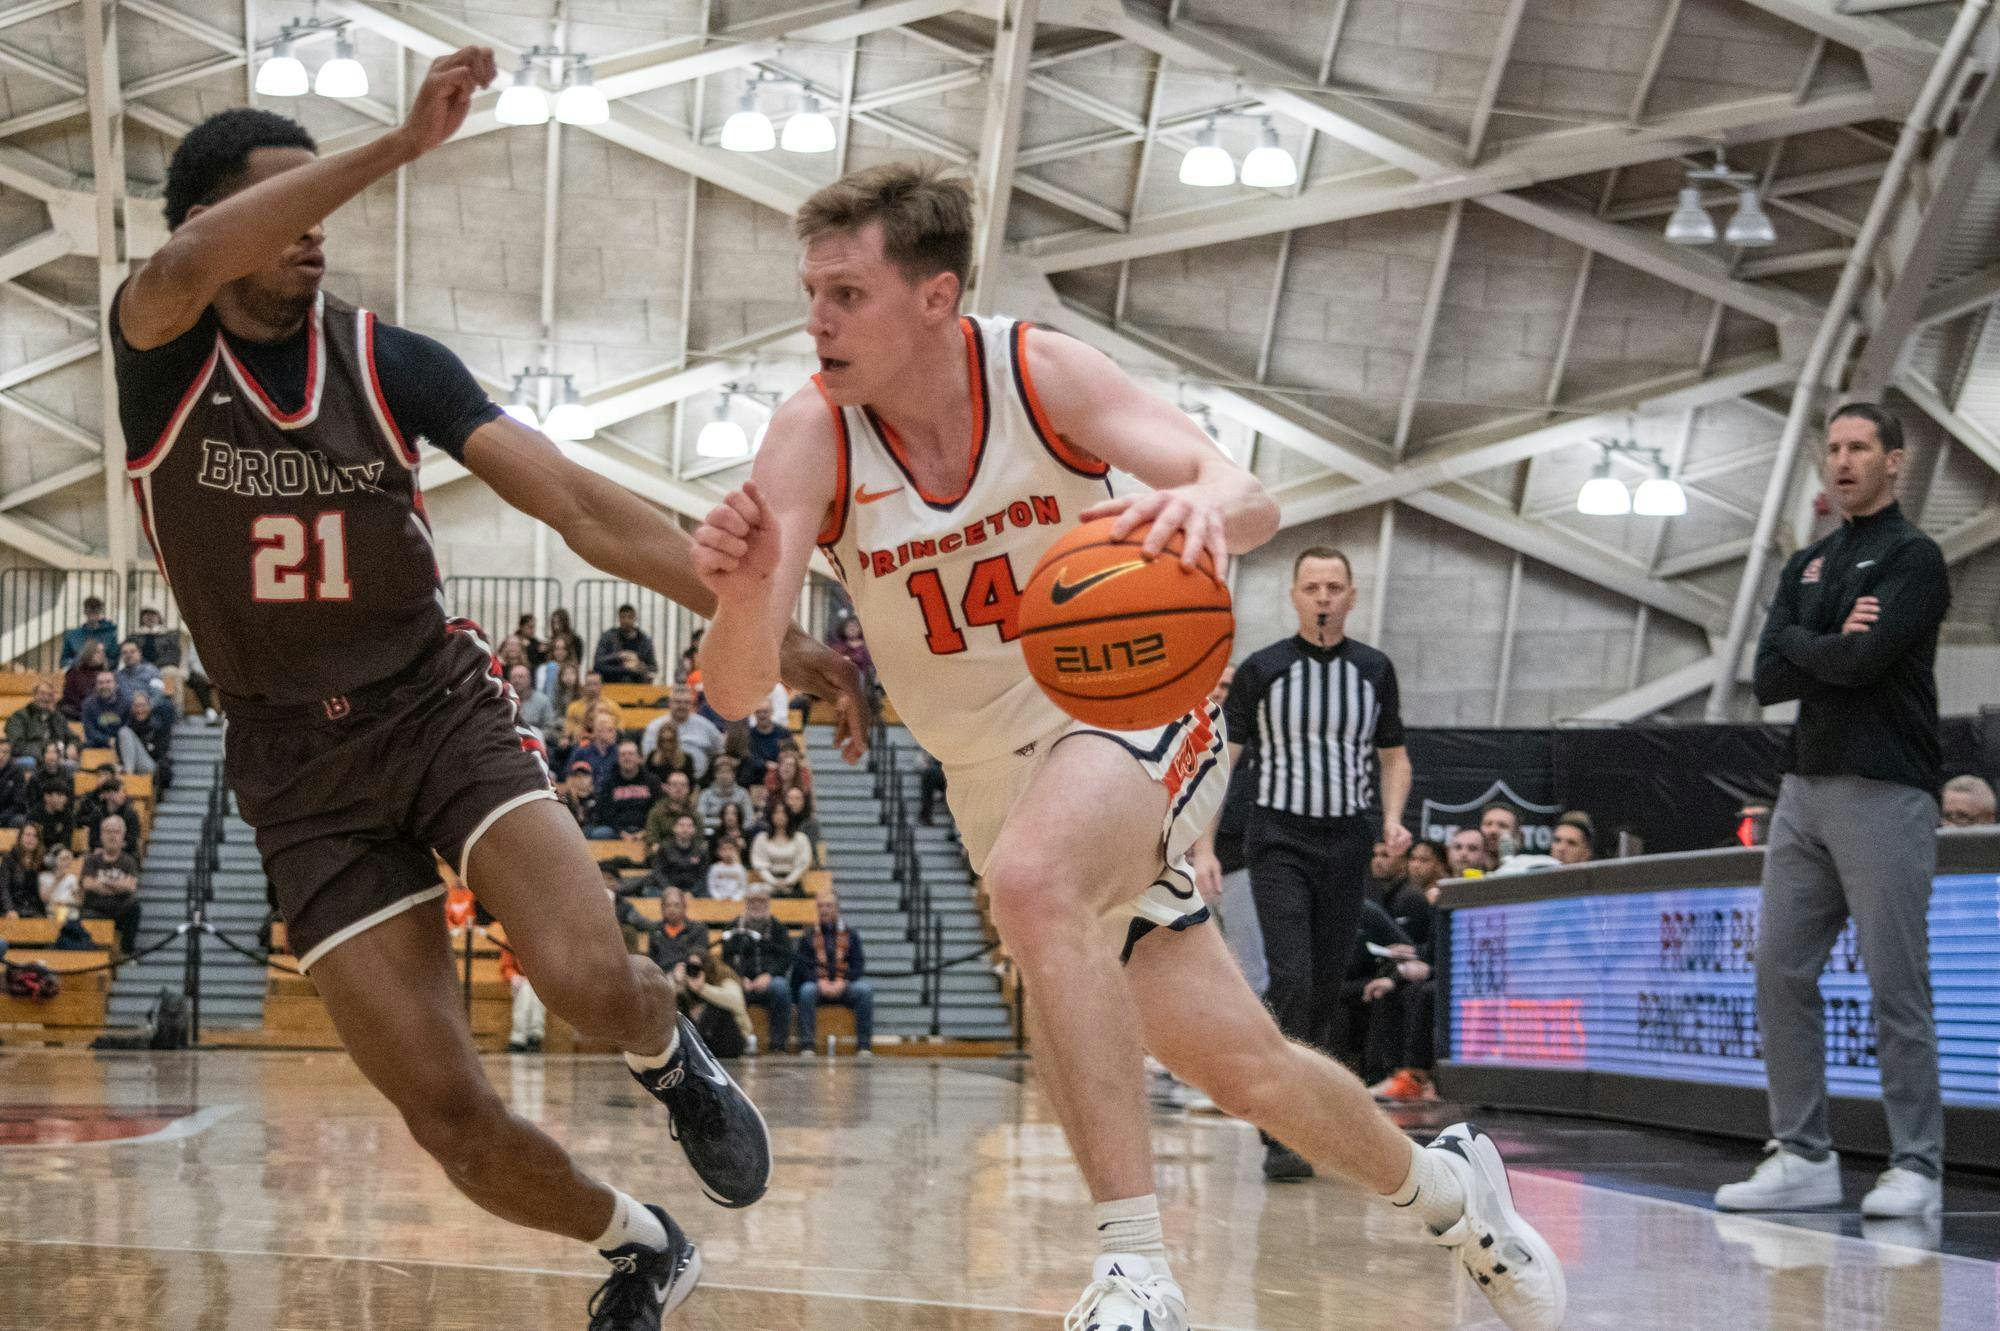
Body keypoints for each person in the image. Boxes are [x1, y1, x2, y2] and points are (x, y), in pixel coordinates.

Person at [691, 162, 1561, 1330]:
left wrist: (1204, 505)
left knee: (1035, 884)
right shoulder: (811, 433)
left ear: (936, 298)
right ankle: (1454, 1194)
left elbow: (1240, 491)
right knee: (1243, 1066)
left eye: (846, 293)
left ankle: (1134, 1270)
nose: (817, 320)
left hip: (1129, 700)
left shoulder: (1035, 371)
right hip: (990, 773)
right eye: (812, 292)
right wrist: (745, 590)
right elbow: (736, 686)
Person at [110, 72, 866, 1330]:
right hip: (294, 769)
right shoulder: (161, 343)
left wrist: (770, 628)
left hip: (434, 709)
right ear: (209, 219)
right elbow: (190, 256)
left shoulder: (385, 358)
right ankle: (642, 1241)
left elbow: (577, 504)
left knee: (588, 976)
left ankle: (669, 1053)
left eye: (317, 202)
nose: (311, 226)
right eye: (277, 200)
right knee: (449, 1119)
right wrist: (399, 141)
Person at [1718, 401, 1952, 1222]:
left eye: (1861, 448)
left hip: (1887, 788)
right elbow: (1766, 675)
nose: (1844, 460)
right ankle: (1803, 1155)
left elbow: (1858, 662)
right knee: (1779, 969)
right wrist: (1824, 644)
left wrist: (1806, 645)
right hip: (1803, 789)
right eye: (1835, 449)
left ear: (1896, 463)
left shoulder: (1915, 557)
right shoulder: (1809, 563)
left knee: (1897, 982)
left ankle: (1917, 1164)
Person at [1212, 546, 1416, 1183]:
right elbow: (1226, 758)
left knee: (1327, 985)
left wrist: (1392, 817)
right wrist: (1199, 844)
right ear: (1294, 597)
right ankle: (1282, 1127)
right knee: (1292, 976)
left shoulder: (1374, 670)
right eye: (1311, 587)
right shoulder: (1262, 670)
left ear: (1352, 597)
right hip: (1278, 839)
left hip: (1348, 840)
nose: (1323, 597)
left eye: (1334, 587)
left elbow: (1394, 756)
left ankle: (1309, 1109)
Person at [791, 889, 874, 1055]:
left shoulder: (851, 935)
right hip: (818, 985)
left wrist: (843, 981)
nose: (824, 909)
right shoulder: (808, 935)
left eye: (828, 905)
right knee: (806, 991)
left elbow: (858, 966)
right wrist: (818, 981)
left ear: (837, 908)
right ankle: (807, 1045)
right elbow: (802, 967)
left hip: (843, 985)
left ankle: (864, 1046)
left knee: (864, 991)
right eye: (820, 906)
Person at [721, 883, 794, 1053]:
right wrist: (738, 978)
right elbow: (726, 959)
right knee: (729, 991)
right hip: (741, 980)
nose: (756, 905)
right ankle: (736, 1045)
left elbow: (785, 958)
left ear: (768, 902)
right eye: (752, 901)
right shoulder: (733, 928)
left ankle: (778, 1046)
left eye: (761, 901)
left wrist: (769, 975)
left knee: (781, 988)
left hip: (768, 980)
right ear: (746, 902)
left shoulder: (778, 929)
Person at [79, 816, 143, 956]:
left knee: (135, 906)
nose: (112, 836)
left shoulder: (129, 861)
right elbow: (87, 884)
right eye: (108, 831)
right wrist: (117, 886)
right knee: (83, 916)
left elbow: (130, 886)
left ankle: (126, 952)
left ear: (122, 836)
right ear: (102, 835)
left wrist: (102, 883)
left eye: (116, 832)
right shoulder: (91, 860)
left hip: (120, 911)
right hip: (95, 909)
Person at [597, 741, 662, 843]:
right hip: (616, 831)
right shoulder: (608, 783)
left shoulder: (652, 781)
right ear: (618, 759)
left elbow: (658, 809)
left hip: (647, 829)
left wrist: (645, 832)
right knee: (600, 833)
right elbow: (605, 812)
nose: (627, 758)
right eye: (623, 754)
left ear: (639, 758)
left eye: (631, 754)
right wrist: (620, 833)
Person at [748, 802, 812, 896]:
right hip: (768, 883)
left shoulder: (801, 838)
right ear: (771, 816)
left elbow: (802, 864)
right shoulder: (761, 838)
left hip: (793, 884)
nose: (780, 816)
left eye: (783, 813)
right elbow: (759, 864)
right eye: (776, 813)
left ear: (789, 816)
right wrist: (774, 882)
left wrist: (788, 881)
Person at [118, 690, 175, 792]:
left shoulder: (157, 727)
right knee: (124, 732)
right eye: (136, 706)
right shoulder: (128, 725)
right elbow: (121, 751)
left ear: (149, 707)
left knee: (124, 732)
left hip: (151, 767)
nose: (140, 710)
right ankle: (128, 774)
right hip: (132, 765)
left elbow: (161, 752)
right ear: (132, 708)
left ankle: (128, 777)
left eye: (143, 706)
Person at [648, 886, 710, 975]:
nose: (672, 909)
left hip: (689, 976)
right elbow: (652, 961)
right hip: (661, 978)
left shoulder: (698, 929)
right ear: (662, 908)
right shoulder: (655, 930)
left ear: (684, 907)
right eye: (668, 905)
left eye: (676, 905)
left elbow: (699, 960)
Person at [595, 604, 659, 685]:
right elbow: (598, 664)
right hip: (612, 685)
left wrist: (641, 666)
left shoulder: (644, 640)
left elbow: (653, 668)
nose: (626, 620)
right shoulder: (608, 637)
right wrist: (618, 656)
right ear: (619, 618)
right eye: (623, 617)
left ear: (635, 618)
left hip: (638, 687)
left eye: (629, 617)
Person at [78, 777, 142, 853]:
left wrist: (113, 848)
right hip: (102, 853)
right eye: (121, 792)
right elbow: (93, 841)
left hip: (125, 853)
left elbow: (132, 840)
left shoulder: (131, 814)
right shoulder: (97, 813)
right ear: (109, 794)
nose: (124, 795)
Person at [503, 940, 545, 1054]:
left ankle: (533, 1035)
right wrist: (514, 977)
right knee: (526, 989)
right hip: (520, 980)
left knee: (536, 989)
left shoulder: (545, 939)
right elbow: (506, 966)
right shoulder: (511, 938)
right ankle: (521, 1036)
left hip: (539, 980)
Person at [644, 770, 703, 850]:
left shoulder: (695, 814)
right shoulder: (656, 812)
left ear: (688, 789)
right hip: (663, 855)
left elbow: (698, 840)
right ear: (667, 788)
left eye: (683, 785)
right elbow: (652, 839)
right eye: (674, 785)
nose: (679, 788)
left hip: (689, 856)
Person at [5, 680, 66, 759]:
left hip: (53, 759)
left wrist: (72, 745)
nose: (46, 698)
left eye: (50, 695)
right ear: (34, 695)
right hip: (28, 757)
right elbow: (17, 745)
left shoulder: (57, 717)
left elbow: (72, 738)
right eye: (42, 693)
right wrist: (45, 751)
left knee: (69, 765)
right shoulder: (19, 717)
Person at [653, 815, 708, 898]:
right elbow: (658, 872)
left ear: (694, 830)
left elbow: (704, 875)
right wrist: (669, 889)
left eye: (689, 826)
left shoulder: (701, 850)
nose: (685, 829)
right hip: (668, 889)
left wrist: (692, 892)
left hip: (693, 891)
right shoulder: (665, 848)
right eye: (681, 825)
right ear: (674, 828)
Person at [696, 755, 755, 830]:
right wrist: (722, 823)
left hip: (738, 832)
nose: (724, 776)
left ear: (734, 775)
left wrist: (739, 829)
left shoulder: (743, 793)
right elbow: (700, 819)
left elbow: (750, 819)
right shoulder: (705, 794)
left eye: (728, 772)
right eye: (721, 772)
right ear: (715, 775)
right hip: (712, 831)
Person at [59, 596, 119, 669]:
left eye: (96, 611)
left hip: (101, 676)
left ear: (100, 612)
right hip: (79, 676)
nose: (93, 615)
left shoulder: (110, 635)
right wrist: (78, 661)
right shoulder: (72, 636)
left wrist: (102, 661)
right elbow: (63, 661)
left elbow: (115, 661)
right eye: (90, 611)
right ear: (85, 612)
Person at [3, 821, 47, 918]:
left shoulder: (42, 862)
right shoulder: (9, 859)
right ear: (20, 837)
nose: (31, 839)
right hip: (13, 908)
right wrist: (10, 909)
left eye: (35, 836)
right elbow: (3, 888)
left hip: (34, 910)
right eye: (27, 835)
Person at [509, 664, 559, 748]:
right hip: (510, 742)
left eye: (521, 677)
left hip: (536, 743)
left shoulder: (542, 700)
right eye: (513, 677)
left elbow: (550, 726)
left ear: (529, 679)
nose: (517, 681)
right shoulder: (505, 701)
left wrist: (534, 736)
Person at [61, 639, 110, 719]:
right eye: (98, 652)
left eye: (103, 652)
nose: (102, 655)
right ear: (89, 653)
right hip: (77, 711)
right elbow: (69, 696)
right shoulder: (74, 673)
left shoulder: (106, 674)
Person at [81, 671, 129, 748]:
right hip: (95, 746)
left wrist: (117, 741)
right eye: (100, 683)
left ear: (116, 684)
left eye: (108, 682)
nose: (104, 686)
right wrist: (107, 740)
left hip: (122, 745)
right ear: (96, 685)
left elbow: (128, 727)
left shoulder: (127, 703)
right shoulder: (88, 704)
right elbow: (90, 730)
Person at [39, 845, 81, 925]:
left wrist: (76, 895)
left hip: (70, 913)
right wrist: (57, 880)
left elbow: (78, 902)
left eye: (69, 859)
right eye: (63, 859)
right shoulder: (44, 876)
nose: (67, 863)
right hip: (51, 912)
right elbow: (44, 898)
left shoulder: (72, 878)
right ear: (54, 860)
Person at [705, 837, 749, 903]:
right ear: (719, 852)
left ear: (736, 851)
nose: (727, 852)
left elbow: (743, 888)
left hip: (736, 901)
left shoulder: (740, 869)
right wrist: (719, 898)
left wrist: (735, 899)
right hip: (718, 901)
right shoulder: (714, 868)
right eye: (724, 849)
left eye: (730, 849)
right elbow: (711, 887)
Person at [1480, 803, 1522, 869]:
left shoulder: (1524, 871)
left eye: (1502, 826)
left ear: (1516, 836)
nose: (1493, 831)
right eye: (1488, 824)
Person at [546, 607, 585, 671]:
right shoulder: (551, 640)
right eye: (554, 623)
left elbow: (578, 662)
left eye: (558, 623)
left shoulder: (575, 639)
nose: (556, 626)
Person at [0, 741, 25, 828]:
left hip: (8, 816)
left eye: (5, 752)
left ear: (10, 755)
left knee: (21, 820)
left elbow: (18, 803)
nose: (1, 756)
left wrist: (2, 817)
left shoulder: (17, 773)